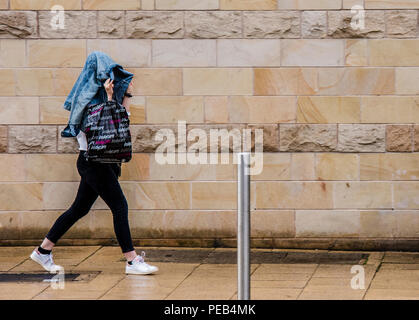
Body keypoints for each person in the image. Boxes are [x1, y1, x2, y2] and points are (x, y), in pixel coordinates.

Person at [30, 76, 159, 276]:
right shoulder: (84, 104)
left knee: (79, 209)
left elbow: (121, 119)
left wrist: (127, 94)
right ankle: (132, 260)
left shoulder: (103, 104)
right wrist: (108, 98)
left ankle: (43, 250)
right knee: (119, 206)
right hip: (94, 163)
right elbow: (100, 126)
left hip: (101, 164)